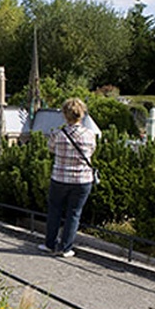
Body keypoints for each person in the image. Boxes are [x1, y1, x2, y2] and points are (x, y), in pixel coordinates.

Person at [39, 98, 97, 258]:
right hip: (82, 180)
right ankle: (65, 248)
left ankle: (49, 244)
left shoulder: (58, 134)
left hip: (60, 177)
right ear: (82, 114)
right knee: (74, 213)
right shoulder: (90, 135)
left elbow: (50, 149)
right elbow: (91, 151)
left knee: (54, 211)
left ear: (65, 115)